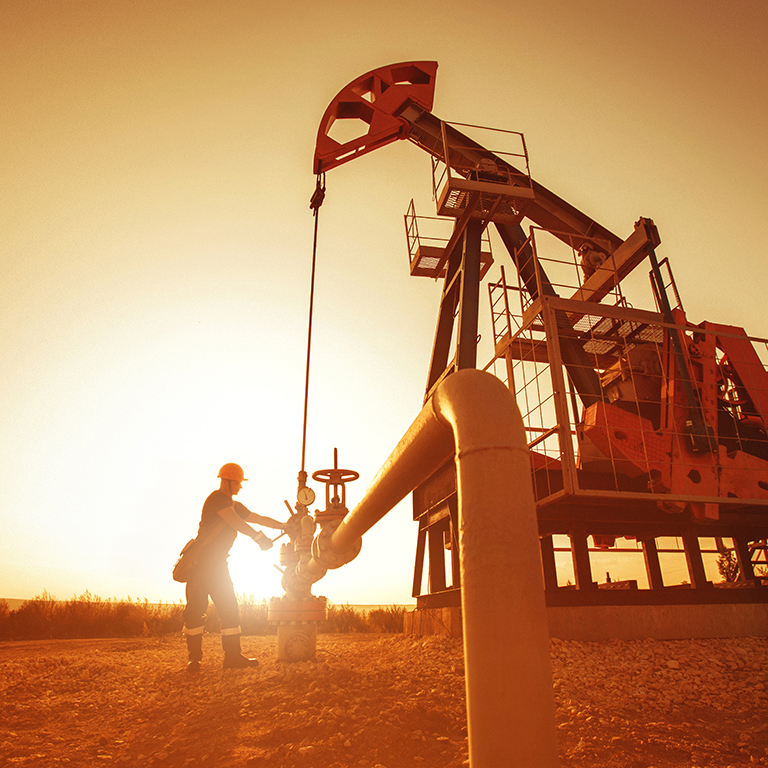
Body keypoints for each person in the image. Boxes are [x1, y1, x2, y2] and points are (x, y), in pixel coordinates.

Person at [182, 462, 287, 674]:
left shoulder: (234, 505)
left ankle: (232, 657)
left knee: (229, 608)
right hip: (201, 564)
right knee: (195, 611)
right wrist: (258, 537)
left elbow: (259, 518)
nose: (240, 487)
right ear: (227, 482)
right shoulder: (217, 500)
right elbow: (236, 522)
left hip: (219, 565)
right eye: (238, 483)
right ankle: (194, 660)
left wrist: (285, 525)